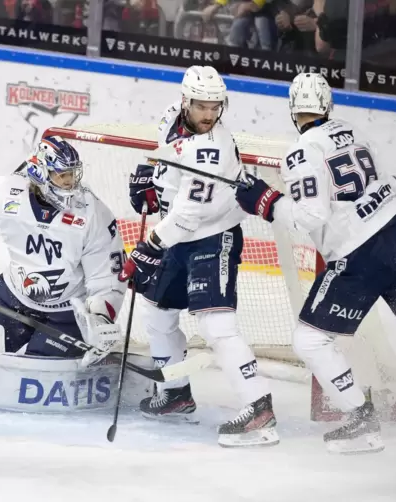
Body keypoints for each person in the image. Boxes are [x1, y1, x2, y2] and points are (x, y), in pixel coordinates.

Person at [235, 72, 396, 454]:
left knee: (310, 338)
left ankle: (361, 420)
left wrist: (265, 201)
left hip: (360, 253)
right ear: (328, 106)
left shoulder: (300, 152)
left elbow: (310, 218)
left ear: (292, 110)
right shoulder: (355, 132)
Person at [123, 65, 278, 448]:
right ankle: (176, 394)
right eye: (202, 106)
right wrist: (149, 176)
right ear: (185, 102)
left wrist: (148, 247)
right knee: (156, 311)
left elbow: (189, 215)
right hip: (179, 237)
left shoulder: (213, 149)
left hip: (213, 236)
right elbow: (162, 153)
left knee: (216, 324)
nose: (209, 115)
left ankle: (258, 406)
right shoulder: (170, 117)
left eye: (215, 107)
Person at [0, 136, 127, 365]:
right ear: (41, 173)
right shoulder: (4, 193)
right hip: (11, 298)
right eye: (62, 175)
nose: (71, 182)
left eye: (72, 174)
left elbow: (107, 279)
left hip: (66, 314)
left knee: (36, 373)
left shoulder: (93, 214)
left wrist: (99, 322)